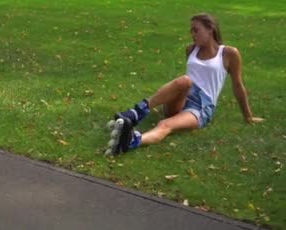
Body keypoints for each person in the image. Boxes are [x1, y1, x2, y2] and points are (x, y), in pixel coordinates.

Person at [106, 13, 264, 156]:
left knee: (165, 124)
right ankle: (135, 113)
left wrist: (248, 116)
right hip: (182, 96)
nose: (192, 34)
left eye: (196, 30)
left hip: (201, 106)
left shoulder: (229, 53)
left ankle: (130, 142)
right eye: (191, 31)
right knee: (185, 80)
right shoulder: (190, 49)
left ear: (210, 29)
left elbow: (238, 85)